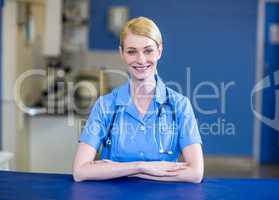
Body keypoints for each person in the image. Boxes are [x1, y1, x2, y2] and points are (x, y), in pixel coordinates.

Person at [73, 17, 204, 183]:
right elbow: (80, 171)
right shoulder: (105, 105)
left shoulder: (180, 105)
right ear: (121, 53)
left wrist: (115, 169)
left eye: (148, 50)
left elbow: (195, 173)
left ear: (159, 51)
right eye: (132, 51)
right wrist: (140, 167)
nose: (141, 60)